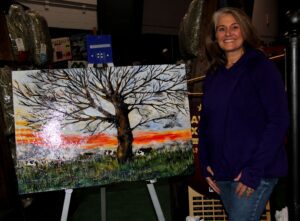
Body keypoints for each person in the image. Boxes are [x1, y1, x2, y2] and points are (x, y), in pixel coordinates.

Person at [198, 7, 290, 221]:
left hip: (255, 173)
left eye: (234, 27)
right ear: (215, 36)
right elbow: (206, 124)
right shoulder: (213, 74)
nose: (228, 33)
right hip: (222, 173)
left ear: (245, 31)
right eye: (221, 29)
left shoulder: (262, 68)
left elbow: (279, 121)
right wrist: (204, 163)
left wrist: (254, 171)